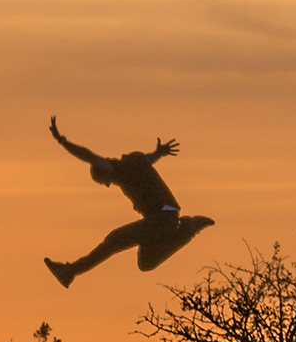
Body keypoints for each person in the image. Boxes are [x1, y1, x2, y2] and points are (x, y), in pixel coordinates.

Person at [43, 117, 216, 287]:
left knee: (114, 240)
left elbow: (90, 157)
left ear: (105, 172)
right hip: (162, 219)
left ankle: (69, 271)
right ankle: (185, 228)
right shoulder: (135, 161)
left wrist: (62, 140)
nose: (109, 184)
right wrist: (159, 153)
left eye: (104, 182)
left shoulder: (120, 170)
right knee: (146, 264)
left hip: (161, 218)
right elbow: (150, 158)